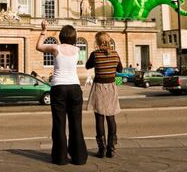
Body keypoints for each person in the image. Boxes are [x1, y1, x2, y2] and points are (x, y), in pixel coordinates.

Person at [36, 20, 87, 165]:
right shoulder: (77, 50)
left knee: (59, 123)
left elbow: (38, 46)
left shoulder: (55, 48)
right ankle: (79, 157)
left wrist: (43, 31)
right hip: (75, 87)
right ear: (73, 37)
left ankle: (60, 157)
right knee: (76, 123)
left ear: (61, 36)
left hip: (59, 87)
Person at [86, 31, 123, 159]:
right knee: (111, 118)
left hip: (99, 87)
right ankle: (111, 149)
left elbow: (87, 66)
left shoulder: (95, 55)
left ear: (97, 42)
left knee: (99, 118)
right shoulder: (115, 54)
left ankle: (101, 149)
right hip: (111, 87)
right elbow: (120, 70)